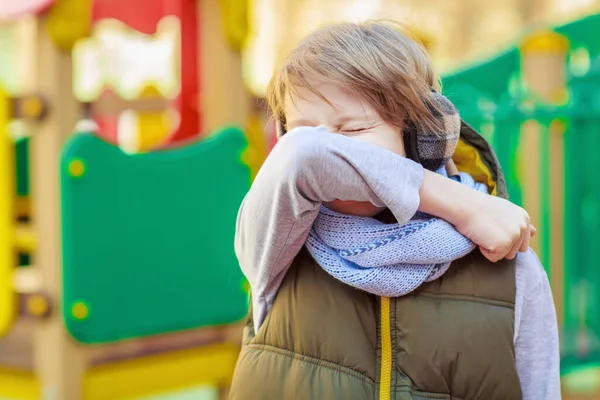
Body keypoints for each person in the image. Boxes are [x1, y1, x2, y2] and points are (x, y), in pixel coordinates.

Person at [229, 21, 559, 400]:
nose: (333, 154)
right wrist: (463, 205)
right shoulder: (276, 241)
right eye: (303, 129)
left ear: (421, 137)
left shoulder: (511, 269)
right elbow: (302, 158)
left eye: (351, 131)